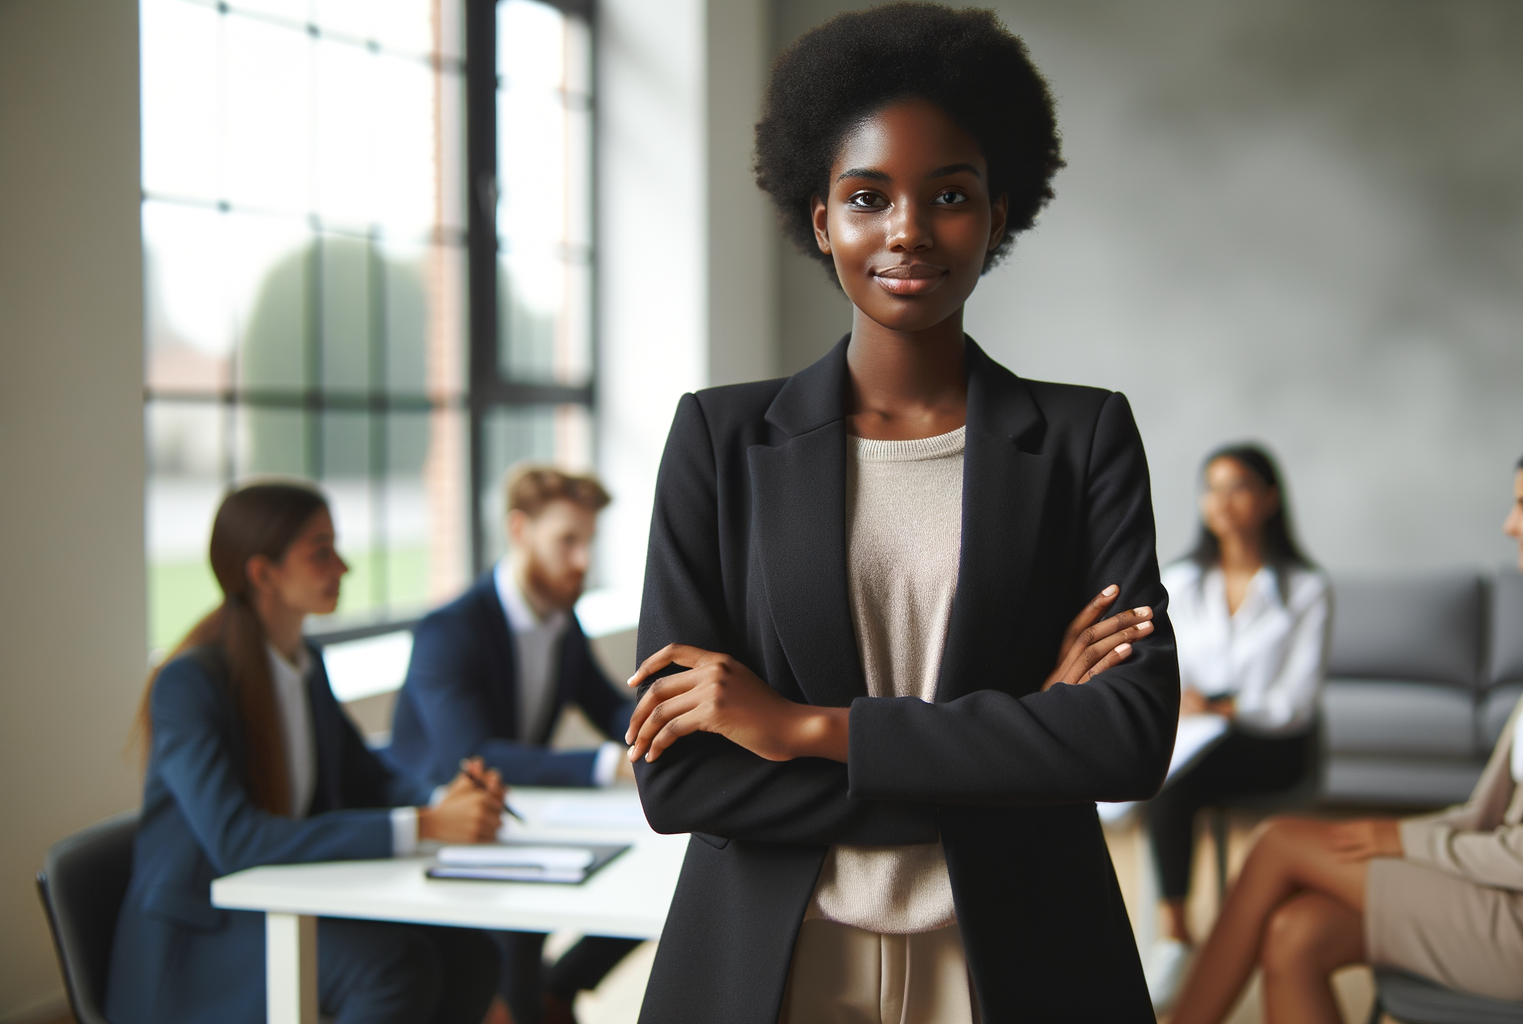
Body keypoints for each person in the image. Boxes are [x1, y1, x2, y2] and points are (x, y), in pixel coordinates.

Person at [621, 6, 1178, 1022]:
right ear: (820, 216)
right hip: (778, 956)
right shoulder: (719, 440)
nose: (909, 229)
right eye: (867, 195)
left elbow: (1126, 742)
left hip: (1017, 947)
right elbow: (681, 783)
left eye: (949, 195)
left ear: (998, 212)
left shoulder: (1081, 438)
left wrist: (797, 728)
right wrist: (1019, 741)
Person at [1167, 432, 1523, 1024]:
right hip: (1507, 892)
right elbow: (1496, 813)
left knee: (1277, 842)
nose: (1511, 525)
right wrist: (1405, 833)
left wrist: (1402, 840)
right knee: (1295, 932)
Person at [108, 481, 505, 1024]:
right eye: (321, 551)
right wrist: (428, 824)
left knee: (472, 953)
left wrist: (450, 798)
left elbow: (369, 779)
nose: (342, 567)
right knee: (391, 968)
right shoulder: (189, 684)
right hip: (201, 935)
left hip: (281, 896)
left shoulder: (304, 663)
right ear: (262, 572)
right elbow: (237, 840)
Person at [385, 464, 639, 1024]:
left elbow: (610, 708)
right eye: (566, 541)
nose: (581, 561)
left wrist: (668, 732)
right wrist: (608, 764)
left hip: (516, 818)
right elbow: (475, 755)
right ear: (519, 529)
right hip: (445, 833)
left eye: (587, 542)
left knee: (668, 879)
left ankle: (556, 989)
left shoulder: (561, 623)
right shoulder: (450, 629)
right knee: (520, 964)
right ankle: (539, 1000)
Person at [1143, 444, 1331, 1009]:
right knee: (1166, 774)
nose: (1223, 502)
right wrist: (1184, 702)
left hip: (1273, 745)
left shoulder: (1306, 587)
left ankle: (1177, 936)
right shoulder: (1180, 580)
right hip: (1198, 737)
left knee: (1174, 778)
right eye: (1212, 488)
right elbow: (1159, 669)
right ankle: (1175, 932)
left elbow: (1295, 703)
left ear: (1270, 499)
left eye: (1239, 487)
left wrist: (1223, 708)